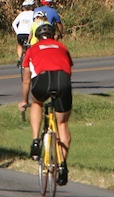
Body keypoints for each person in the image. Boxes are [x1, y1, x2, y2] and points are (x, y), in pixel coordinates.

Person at [18, 22, 74, 186]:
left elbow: (26, 79)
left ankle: (36, 140)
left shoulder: (32, 49)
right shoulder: (62, 47)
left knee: (37, 103)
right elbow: (68, 69)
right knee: (62, 123)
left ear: (36, 36)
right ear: (53, 35)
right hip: (62, 81)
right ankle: (62, 165)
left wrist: (24, 100)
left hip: (42, 80)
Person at [12, 0, 36, 64]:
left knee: (20, 44)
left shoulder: (21, 14)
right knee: (31, 45)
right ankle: (30, 58)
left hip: (20, 34)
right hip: (29, 33)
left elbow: (14, 23)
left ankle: (19, 57)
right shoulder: (34, 13)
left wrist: (17, 32)